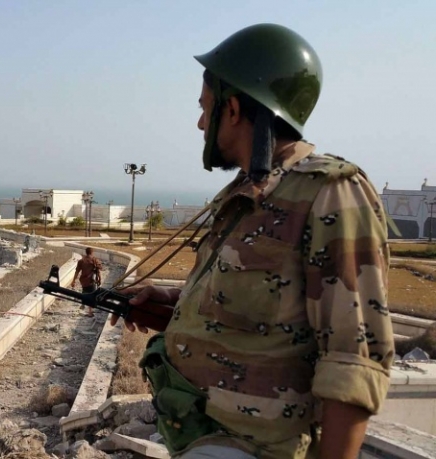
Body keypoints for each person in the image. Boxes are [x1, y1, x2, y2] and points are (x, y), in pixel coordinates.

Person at [109, 24, 393, 459]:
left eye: (205, 108)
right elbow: (261, 308)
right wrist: (171, 300)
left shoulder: (330, 191)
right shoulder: (249, 193)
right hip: (203, 438)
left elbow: (354, 361)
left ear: (233, 109)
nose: (200, 123)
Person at [72, 247, 102, 317]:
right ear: (92, 252)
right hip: (92, 281)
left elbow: (77, 271)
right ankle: (90, 312)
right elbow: (99, 270)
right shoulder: (95, 260)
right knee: (92, 295)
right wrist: (100, 279)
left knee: (85, 290)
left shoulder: (81, 261)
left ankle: (83, 303)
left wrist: (73, 281)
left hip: (83, 281)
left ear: (86, 252)